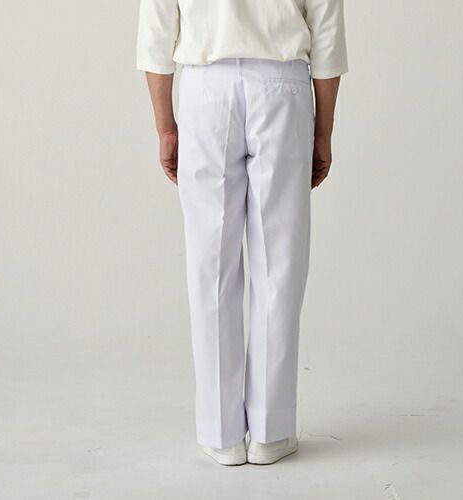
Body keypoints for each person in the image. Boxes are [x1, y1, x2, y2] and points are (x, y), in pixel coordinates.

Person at [137, 0, 348, 466]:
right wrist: (323, 131)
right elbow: (326, 29)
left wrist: (165, 126)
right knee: (279, 263)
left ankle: (221, 434)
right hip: (282, 82)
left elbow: (156, 27)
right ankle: (271, 433)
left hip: (204, 87)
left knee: (210, 265)